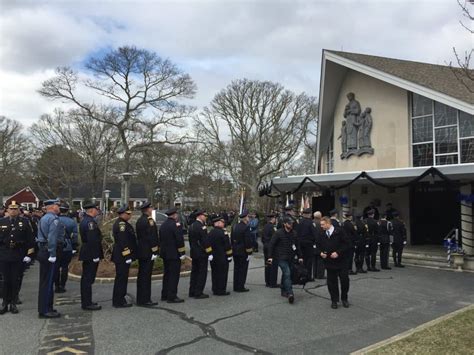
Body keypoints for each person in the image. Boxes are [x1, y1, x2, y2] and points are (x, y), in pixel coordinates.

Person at [0, 201, 35, 315]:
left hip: (18, 254)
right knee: (5, 280)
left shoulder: (25, 222)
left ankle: (13, 302)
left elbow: (30, 240)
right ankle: (5, 302)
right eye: (11, 209)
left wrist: (29, 255)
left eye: (15, 209)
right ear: (7, 210)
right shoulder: (2, 222)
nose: (13, 211)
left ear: (19, 210)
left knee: (15, 279)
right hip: (4, 254)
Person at [316, 216, 351, 309]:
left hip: (341, 261)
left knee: (344, 280)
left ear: (328, 223)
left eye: (323, 225)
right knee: (332, 282)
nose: (321, 226)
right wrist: (320, 253)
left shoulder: (339, 231)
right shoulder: (321, 233)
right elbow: (318, 245)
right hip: (329, 262)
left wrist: (338, 252)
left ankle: (344, 298)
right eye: (321, 225)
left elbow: (347, 244)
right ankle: (334, 300)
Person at [267, 216, 303, 304]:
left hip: (291, 257)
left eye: (292, 223)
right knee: (287, 273)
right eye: (289, 223)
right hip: (281, 258)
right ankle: (290, 293)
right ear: (285, 224)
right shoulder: (278, 233)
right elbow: (271, 245)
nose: (291, 225)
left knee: (286, 274)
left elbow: (297, 246)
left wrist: (300, 256)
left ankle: (283, 289)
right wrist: (270, 257)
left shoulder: (294, 233)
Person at [36, 199, 62, 318]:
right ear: (52, 207)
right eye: (57, 205)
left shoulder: (44, 218)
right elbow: (52, 238)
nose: (59, 207)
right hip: (48, 252)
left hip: (43, 250)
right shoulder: (53, 219)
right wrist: (52, 253)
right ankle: (46, 309)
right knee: (48, 282)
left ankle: (46, 307)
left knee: (45, 281)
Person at [79, 202, 103, 311]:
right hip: (90, 253)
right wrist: (95, 255)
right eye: (96, 209)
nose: (97, 211)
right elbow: (92, 240)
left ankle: (87, 301)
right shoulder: (90, 223)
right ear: (92, 210)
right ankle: (87, 303)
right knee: (88, 279)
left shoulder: (86, 220)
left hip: (88, 252)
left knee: (87, 278)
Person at [112, 205, 137, 308]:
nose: (130, 215)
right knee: (121, 278)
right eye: (128, 214)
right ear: (122, 214)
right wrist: (127, 256)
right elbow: (123, 241)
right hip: (122, 256)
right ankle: (119, 301)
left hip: (122, 256)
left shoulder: (124, 223)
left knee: (122, 278)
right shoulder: (121, 224)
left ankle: (120, 298)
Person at [159, 207, 186, 303]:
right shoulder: (176, 225)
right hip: (174, 254)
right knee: (174, 275)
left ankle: (165, 294)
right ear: (174, 215)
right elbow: (179, 240)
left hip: (165, 254)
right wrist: (182, 252)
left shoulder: (163, 225)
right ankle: (172, 296)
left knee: (167, 274)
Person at [135, 202, 160, 307]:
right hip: (148, 252)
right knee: (146, 276)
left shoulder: (139, 220)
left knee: (141, 276)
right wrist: (155, 251)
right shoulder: (149, 221)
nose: (152, 209)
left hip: (141, 251)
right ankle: (145, 299)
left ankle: (140, 298)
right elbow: (152, 237)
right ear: (148, 209)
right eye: (151, 208)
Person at [188, 210, 213, 299]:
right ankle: (198, 292)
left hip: (194, 253)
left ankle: (192, 291)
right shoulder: (201, 227)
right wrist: (209, 252)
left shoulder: (192, 225)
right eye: (204, 215)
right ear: (200, 216)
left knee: (194, 272)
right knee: (202, 273)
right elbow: (204, 241)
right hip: (201, 253)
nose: (205, 217)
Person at [54, 203, 78, 293]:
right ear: (67, 211)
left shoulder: (55, 220)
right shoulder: (71, 221)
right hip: (68, 246)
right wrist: (74, 246)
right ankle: (63, 285)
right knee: (65, 267)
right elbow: (74, 235)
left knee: (56, 267)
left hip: (57, 245)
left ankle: (56, 285)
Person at [209, 215, 233, 296]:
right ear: (218, 223)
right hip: (222, 257)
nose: (223, 224)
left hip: (214, 257)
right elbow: (227, 245)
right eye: (222, 222)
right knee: (222, 274)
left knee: (215, 273)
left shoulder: (211, 232)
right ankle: (221, 290)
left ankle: (215, 288)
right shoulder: (223, 232)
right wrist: (229, 255)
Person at [231, 210, 254, 292]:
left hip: (235, 251)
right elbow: (247, 241)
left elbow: (232, 239)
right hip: (243, 252)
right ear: (245, 218)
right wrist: (249, 252)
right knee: (242, 270)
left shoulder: (235, 226)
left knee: (236, 269)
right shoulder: (246, 227)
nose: (249, 218)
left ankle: (236, 286)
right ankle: (240, 287)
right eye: (248, 217)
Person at [296, 208, 317, 281]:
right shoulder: (310, 223)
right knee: (309, 260)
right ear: (309, 214)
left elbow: (297, 233)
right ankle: (308, 276)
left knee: (302, 259)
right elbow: (314, 234)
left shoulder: (299, 222)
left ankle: (301, 274)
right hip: (308, 244)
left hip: (300, 243)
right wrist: (314, 242)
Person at [262, 213, 279, 287]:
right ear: (273, 219)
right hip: (272, 248)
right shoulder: (273, 227)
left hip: (265, 246)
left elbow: (262, 237)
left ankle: (267, 281)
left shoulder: (265, 226)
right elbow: (275, 238)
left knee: (267, 264)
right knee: (273, 264)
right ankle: (272, 282)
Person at [312, 211, 326, 279]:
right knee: (321, 259)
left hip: (313, 243)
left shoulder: (311, 222)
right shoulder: (321, 223)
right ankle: (320, 275)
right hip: (320, 243)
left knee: (314, 260)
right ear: (320, 216)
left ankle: (314, 274)